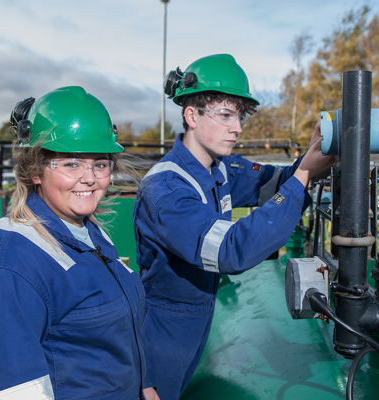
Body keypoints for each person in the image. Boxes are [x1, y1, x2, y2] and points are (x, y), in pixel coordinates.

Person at [134, 54, 336, 399]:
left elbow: (276, 182)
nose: (238, 127)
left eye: (239, 116)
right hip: (164, 330)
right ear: (191, 115)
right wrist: (303, 175)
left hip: (198, 318)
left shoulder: (220, 168)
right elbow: (230, 250)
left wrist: (312, 157)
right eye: (225, 115)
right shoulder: (166, 189)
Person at [0, 86, 157, 400]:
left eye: (100, 164)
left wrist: (144, 385)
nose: (90, 178)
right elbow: (14, 392)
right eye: (72, 164)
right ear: (35, 170)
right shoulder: (5, 262)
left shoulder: (90, 232)